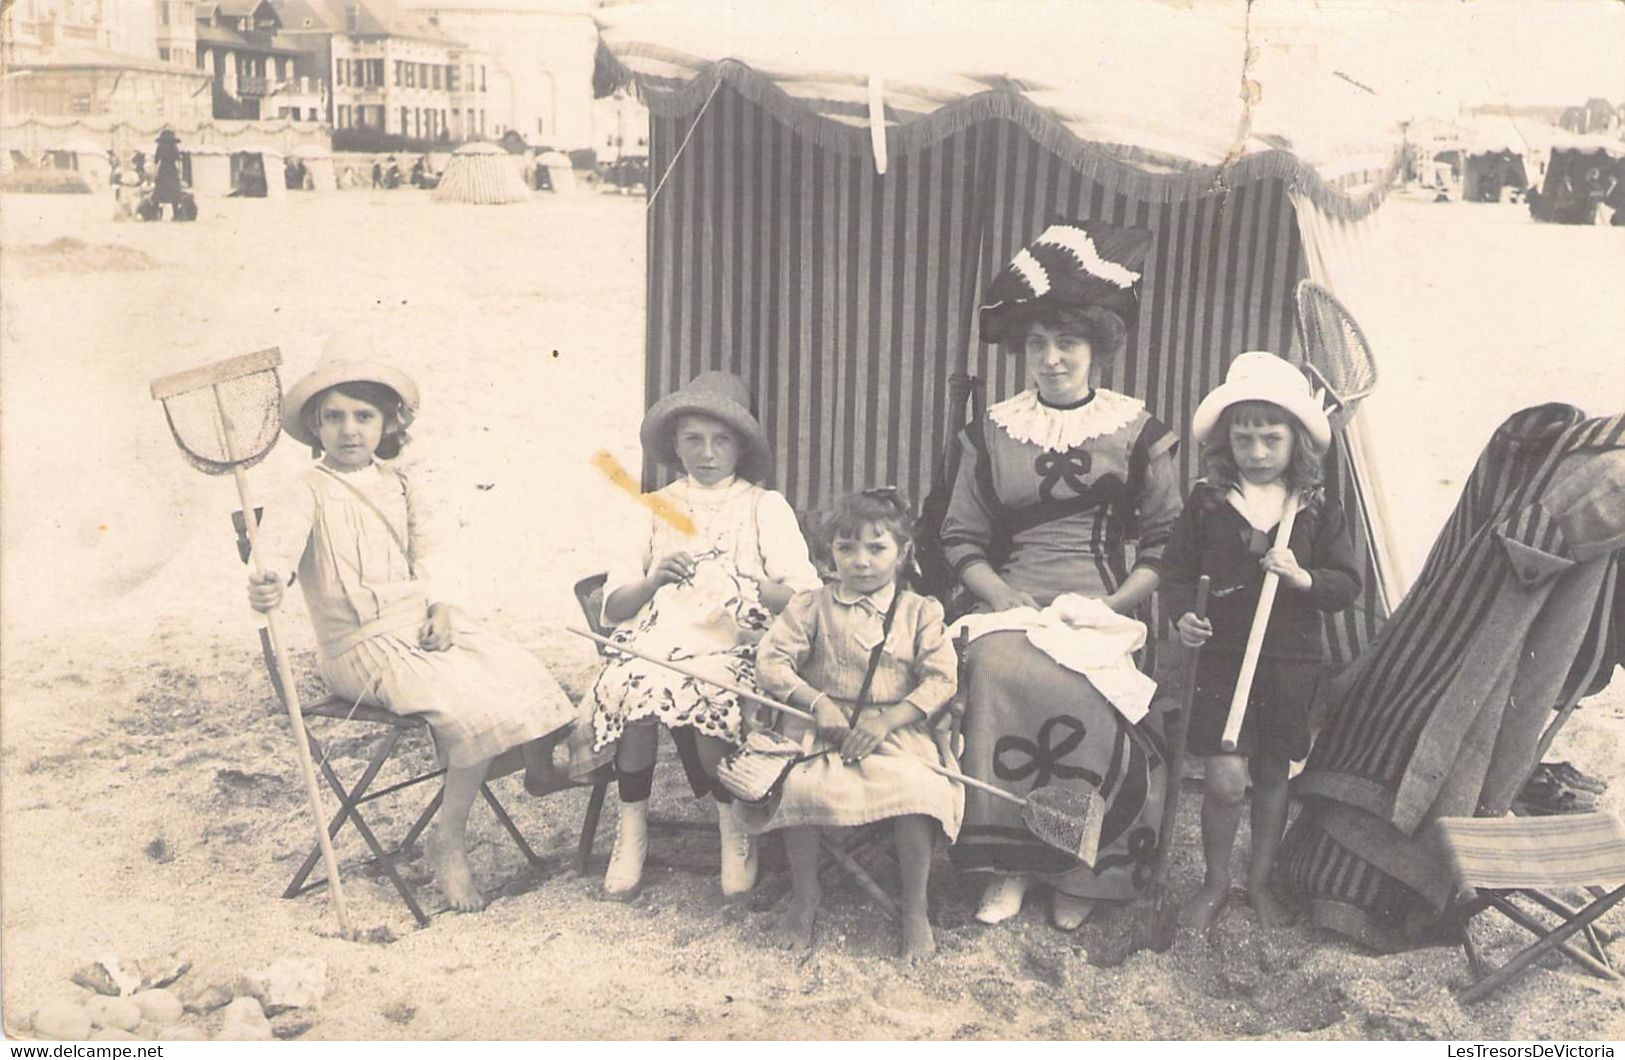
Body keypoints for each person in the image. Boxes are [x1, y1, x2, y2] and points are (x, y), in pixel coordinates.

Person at [246, 335, 576, 912]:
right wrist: (268, 578)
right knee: (467, 711)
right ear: (316, 428)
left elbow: (436, 553)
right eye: (334, 418)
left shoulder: (401, 483)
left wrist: (444, 605)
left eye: (364, 416)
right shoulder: (304, 492)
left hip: (417, 625)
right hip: (360, 647)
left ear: (386, 422)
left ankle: (537, 769)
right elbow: (275, 552)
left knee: (524, 673)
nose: (350, 430)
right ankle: (447, 841)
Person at [941, 221, 1182, 930]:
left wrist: (1113, 604)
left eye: (1067, 344)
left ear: (1096, 350)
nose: (1051, 359)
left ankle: (1084, 871)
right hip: (1013, 602)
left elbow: (1165, 542)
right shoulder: (990, 431)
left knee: (1084, 680)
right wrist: (1000, 594)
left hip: (1107, 599)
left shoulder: (1137, 431)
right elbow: (960, 535)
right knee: (991, 666)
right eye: (1039, 345)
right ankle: (1010, 865)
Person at [574, 371, 822, 900]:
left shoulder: (763, 506)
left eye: (721, 440)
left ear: (741, 446)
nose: (707, 453)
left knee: (712, 690)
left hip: (736, 641)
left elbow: (807, 599)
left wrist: (749, 583)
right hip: (661, 638)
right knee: (633, 688)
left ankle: (734, 832)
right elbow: (613, 609)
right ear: (675, 445)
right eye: (693, 440)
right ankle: (632, 830)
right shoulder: (653, 507)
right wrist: (654, 577)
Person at [1158, 351, 1360, 934]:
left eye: (1272, 439)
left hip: (1291, 662)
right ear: (1227, 441)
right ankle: (1216, 882)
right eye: (1245, 439)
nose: (1258, 452)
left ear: (1297, 442)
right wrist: (1181, 620)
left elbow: (1347, 585)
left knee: (1273, 775)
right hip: (1221, 661)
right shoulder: (1206, 501)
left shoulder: (1318, 508)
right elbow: (1174, 575)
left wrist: (1303, 577)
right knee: (1224, 777)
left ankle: (1260, 882)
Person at [745, 489, 961, 962]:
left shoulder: (920, 612)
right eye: (846, 548)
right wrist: (817, 702)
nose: (861, 562)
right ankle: (805, 897)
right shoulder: (810, 606)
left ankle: (915, 908)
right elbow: (772, 663)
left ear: (902, 553)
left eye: (876, 548)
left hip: (896, 727)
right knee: (800, 786)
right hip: (822, 727)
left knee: (917, 790)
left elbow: (942, 679)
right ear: (830, 553)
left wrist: (889, 720)